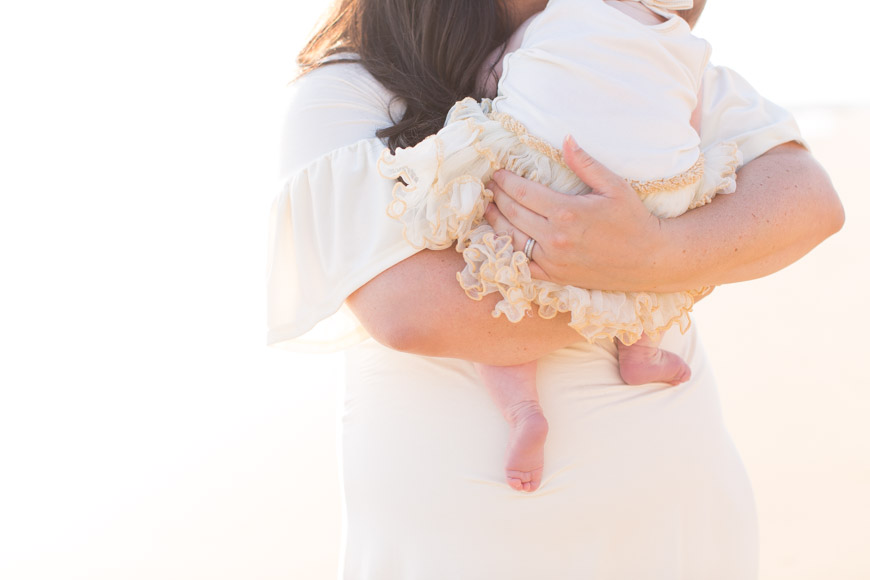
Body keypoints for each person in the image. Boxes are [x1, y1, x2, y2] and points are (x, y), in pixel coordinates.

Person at [268, 0, 844, 577]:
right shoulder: (352, 88)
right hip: (467, 555)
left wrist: (655, 253)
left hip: (682, 537)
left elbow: (808, 200)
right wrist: (652, 267)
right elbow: (413, 311)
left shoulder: (628, 46)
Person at [378, 0, 731, 493]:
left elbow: (502, 68)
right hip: (649, 191)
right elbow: (688, 120)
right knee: (648, 262)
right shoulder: (687, 44)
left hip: (547, 171)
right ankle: (640, 351)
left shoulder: (567, 9)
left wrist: (484, 91)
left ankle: (523, 408)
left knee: (505, 281)